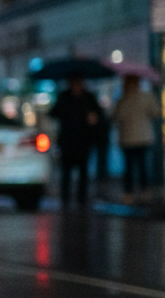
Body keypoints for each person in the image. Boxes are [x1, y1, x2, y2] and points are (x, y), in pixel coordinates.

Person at [49, 75, 104, 207]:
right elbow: (53, 112)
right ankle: (65, 198)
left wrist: (94, 118)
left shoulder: (88, 97)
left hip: (83, 140)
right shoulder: (64, 97)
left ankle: (81, 198)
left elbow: (99, 114)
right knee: (66, 171)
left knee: (83, 171)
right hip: (67, 140)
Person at [112, 74, 159, 195]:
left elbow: (116, 116)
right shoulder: (126, 99)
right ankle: (136, 192)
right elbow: (156, 112)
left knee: (135, 167)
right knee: (137, 166)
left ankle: (134, 192)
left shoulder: (126, 99)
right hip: (137, 137)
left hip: (135, 137)